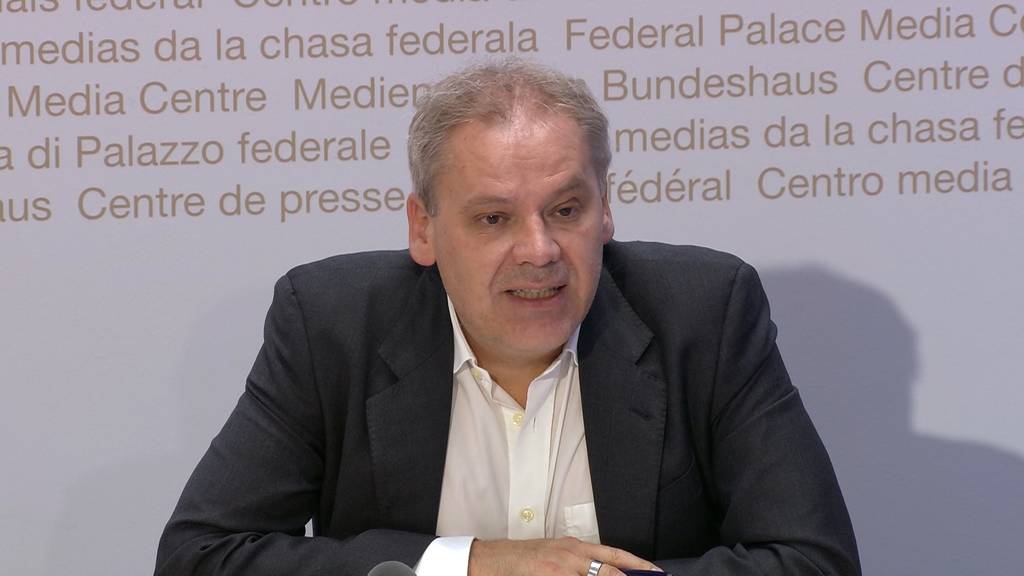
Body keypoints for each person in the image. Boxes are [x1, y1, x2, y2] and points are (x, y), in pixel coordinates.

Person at [155, 59, 860, 576]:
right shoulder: (333, 324)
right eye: (493, 218)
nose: (540, 250)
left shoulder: (703, 314)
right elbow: (201, 556)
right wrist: (470, 565)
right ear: (424, 229)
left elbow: (813, 562)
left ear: (605, 209)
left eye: (566, 209)